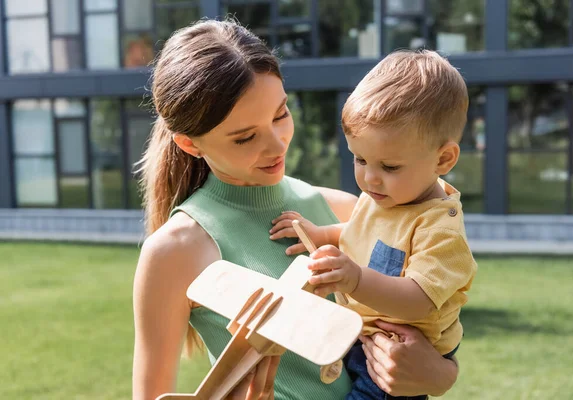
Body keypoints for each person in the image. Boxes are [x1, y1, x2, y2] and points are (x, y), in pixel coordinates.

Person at [132, 20, 460, 400]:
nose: (276, 145)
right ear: (190, 144)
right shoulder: (174, 251)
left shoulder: (345, 209)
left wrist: (441, 375)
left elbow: (425, 321)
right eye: (245, 137)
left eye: (280, 114)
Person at [270, 50, 477, 400]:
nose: (370, 178)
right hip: (361, 336)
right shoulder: (383, 198)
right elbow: (360, 236)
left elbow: (418, 301)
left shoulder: (439, 227)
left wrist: (356, 279)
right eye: (360, 159)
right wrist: (320, 234)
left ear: (443, 159)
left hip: (396, 356)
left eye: (389, 166)